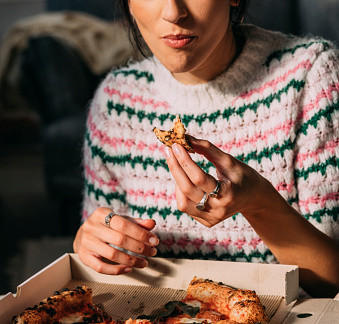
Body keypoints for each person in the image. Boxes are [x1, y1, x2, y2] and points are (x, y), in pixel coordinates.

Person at [73, 0, 339, 298]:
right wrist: (93, 244)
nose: (174, 12)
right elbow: (108, 271)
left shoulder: (312, 75)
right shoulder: (115, 102)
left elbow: (333, 281)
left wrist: (259, 203)